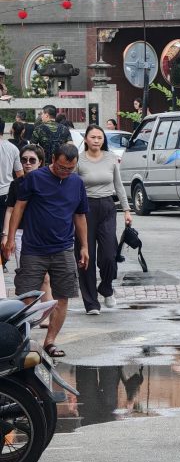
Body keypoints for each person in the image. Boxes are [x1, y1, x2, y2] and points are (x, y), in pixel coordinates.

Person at [4, 144, 90, 359]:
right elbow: (19, 207)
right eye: (61, 167)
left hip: (63, 249)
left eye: (69, 168)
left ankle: (50, 341)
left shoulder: (77, 183)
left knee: (62, 297)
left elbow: (79, 216)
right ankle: (21, 342)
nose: (65, 172)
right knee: (26, 298)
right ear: (53, 159)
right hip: (34, 248)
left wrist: (85, 246)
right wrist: (11, 237)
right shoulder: (35, 178)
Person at [75, 126, 132, 314]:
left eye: (100, 137)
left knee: (109, 254)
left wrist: (126, 209)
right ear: (86, 139)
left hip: (108, 207)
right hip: (84, 210)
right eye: (93, 137)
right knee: (86, 256)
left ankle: (106, 287)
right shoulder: (79, 160)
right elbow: (72, 187)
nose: (97, 140)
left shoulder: (110, 158)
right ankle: (91, 303)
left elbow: (118, 184)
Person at [0, 128, 23, 239]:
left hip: (7, 194)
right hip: (7, 193)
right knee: (4, 231)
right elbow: (20, 174)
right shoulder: (12, 148)